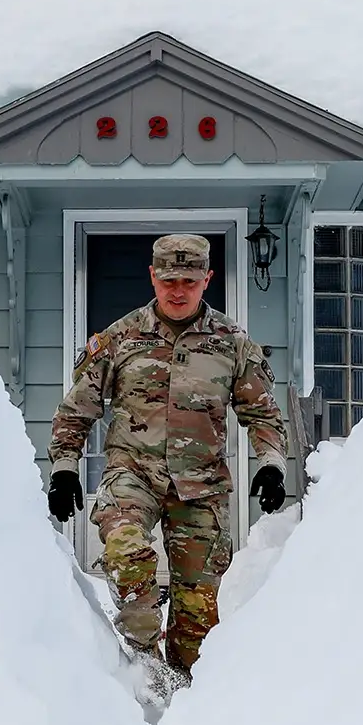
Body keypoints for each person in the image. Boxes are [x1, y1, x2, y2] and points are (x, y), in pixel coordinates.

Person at [47, 234, 289, 689]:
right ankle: (142, 668)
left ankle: (183, 698)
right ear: (153, 277)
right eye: (169, 279)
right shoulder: (120, 338)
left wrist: (271, 462)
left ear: (208, 280)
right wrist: (64, 469)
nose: (179, 291)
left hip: (201, 488)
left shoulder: (231, 343)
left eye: (190, 281)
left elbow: (262, 413)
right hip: (132, 475)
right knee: (126, 553)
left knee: (198, 613)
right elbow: (76, 410)